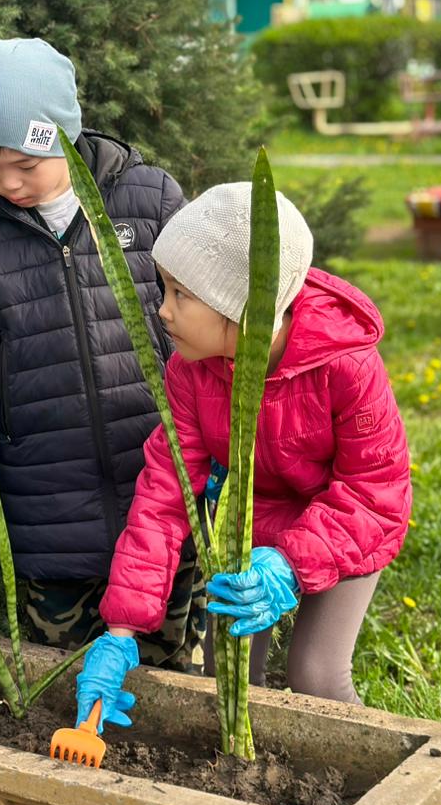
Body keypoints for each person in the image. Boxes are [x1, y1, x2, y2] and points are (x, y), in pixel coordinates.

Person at [75, 183, 412, 731]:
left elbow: (376, 495)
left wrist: (291, 564)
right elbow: (166, 493)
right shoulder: (189, 371)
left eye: (180, 294)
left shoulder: (347, 366)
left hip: (347, 526)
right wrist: (119, 634)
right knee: (225, 677)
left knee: (316, 674)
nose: (161, 310)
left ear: (242, 309)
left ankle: (374, 790)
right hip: (249, 527)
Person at [0, 38, 205, 670]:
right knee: (58, 670)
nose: (6, 181)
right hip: (45, 496)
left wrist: (219, 451)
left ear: (64, 136)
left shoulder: (150, 199)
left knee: (169, 674)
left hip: (159, 488)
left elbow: (211, 333)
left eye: (25, 162)